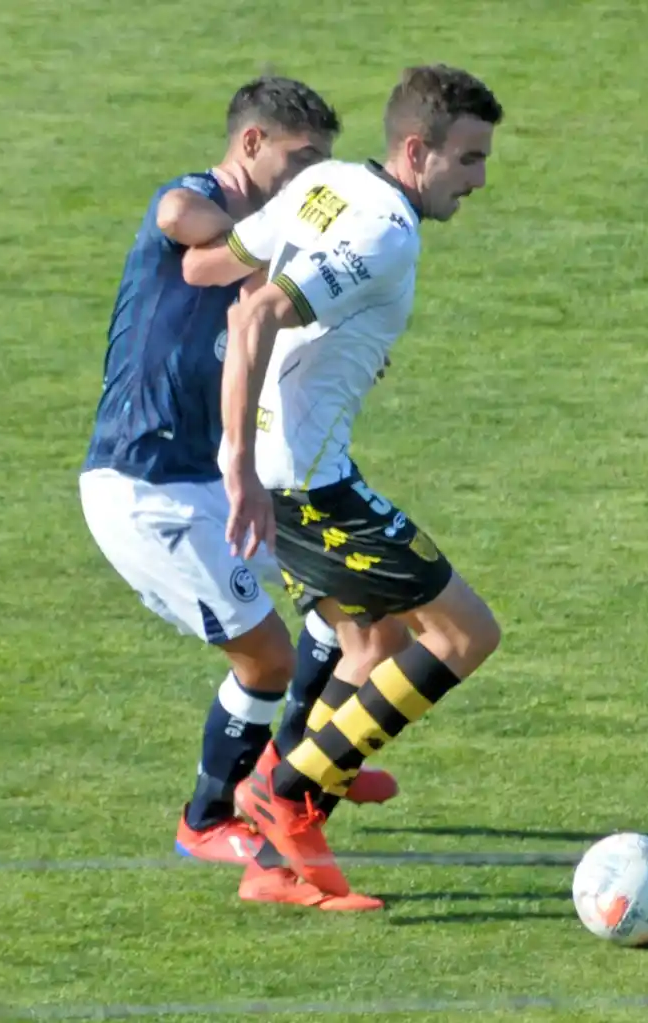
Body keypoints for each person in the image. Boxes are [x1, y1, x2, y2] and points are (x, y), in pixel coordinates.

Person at [77, 77, 405, 908]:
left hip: (215, 475)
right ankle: (207, 818)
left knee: (337, 610)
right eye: (299, 161)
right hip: (147, 483)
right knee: (268, 658)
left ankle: (304, 768)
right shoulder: (201, 199)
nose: (309, 181)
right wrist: (275, 228)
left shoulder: (269, 240)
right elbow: (178, 224)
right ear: (251, 144)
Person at [191, 65, 506, 905]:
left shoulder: (329, 181)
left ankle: (281, 846)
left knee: (373, 648)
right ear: (417, 149)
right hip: (306, 486)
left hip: (286, 472)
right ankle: (289, 792)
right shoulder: (389, 232)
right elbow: (255, 313)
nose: (479, 180)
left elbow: (214, 274)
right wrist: (237, 466)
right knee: (466, 634)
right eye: (469, 159)